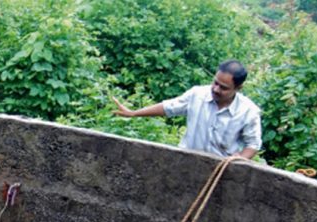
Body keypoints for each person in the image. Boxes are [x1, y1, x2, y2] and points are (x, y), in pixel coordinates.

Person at [112, 60, 262, 159]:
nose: (216, 89)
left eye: (223, 88)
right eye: (215, 83)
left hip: (220, 171)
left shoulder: (248, 112)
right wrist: (134, 113)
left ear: (238, 88)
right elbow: (168, 107)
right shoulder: (197, 94)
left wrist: (239, 159)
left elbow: (253, 144)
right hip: (186, 161)